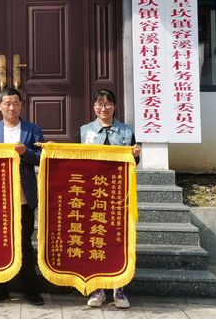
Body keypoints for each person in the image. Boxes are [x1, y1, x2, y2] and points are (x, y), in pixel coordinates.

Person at [74, 88, 141, 309]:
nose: (103, 108)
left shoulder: (127, 132)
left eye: (108, 104)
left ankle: (118, 288)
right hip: (91, 196)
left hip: (119, 196)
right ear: (93, 107)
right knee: (94, 239)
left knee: (118, 240)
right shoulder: (84, 132)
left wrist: (135, 155)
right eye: (99, 104)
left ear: (115, 106)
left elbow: (133, 164)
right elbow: (71, 158)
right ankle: (98, 289)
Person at [0, 87, 45, 307]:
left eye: (15, 103)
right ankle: (1, 287)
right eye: (7, 103)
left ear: (21, 105)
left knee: (25, 243)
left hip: (23, 197)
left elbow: (42, 158)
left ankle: (30, 288)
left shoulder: (32, 129)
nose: (11, 107)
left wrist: (25, 153)